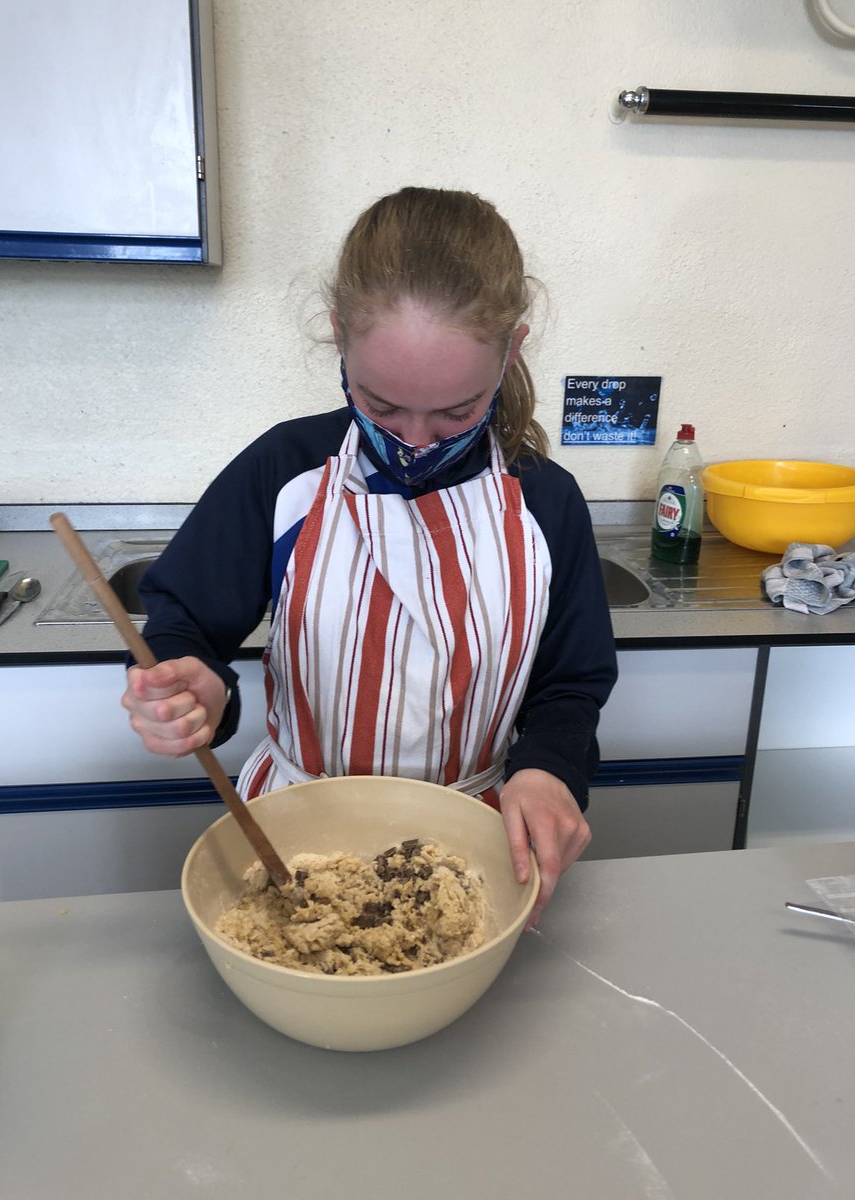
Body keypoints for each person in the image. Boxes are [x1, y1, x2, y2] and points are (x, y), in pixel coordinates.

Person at [121, 186, 617, 924]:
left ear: (511, 350)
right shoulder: (285, 472)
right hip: (294, 844)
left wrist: (550, 768)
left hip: (475, 850)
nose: (415, 442)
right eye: (382, 405)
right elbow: (184, 624)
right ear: (339, 338)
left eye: (455, 411)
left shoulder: (545, 501)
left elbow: (570, 683)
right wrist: (195, 688)